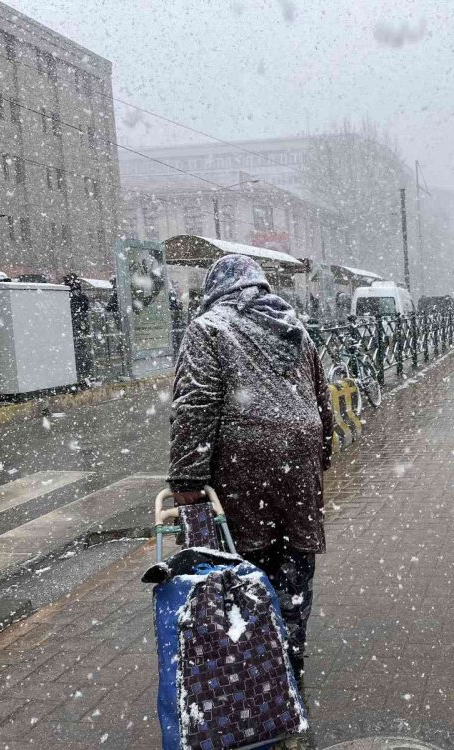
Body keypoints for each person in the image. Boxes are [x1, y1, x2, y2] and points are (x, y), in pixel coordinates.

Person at [168, 254, 334, 688]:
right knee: (293, 575)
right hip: (298, 467)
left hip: (242, 470)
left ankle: (248, 683)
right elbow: (321, 398)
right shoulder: (292, 325)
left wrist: (187, 480)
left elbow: (195, 405)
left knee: (239, 574)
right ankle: (289, 676)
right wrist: (321, 455)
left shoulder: (209, 329)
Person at [62, 274, 92, 383]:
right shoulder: (80, 295)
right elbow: (85, 306)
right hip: (80, 326)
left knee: (77, 350)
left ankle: (80, 373)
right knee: (82, 349)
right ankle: (85, 373)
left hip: (73, 326)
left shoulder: (67, 295)